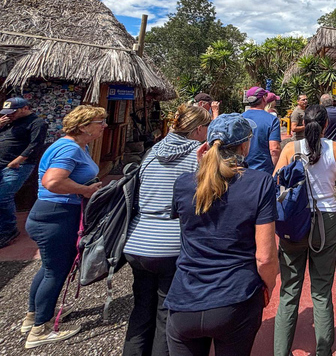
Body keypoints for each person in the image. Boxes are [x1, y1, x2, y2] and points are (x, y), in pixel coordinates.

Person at [165, 113, 278, 356]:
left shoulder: (183, 183)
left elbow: (189, 231)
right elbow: (265, 257)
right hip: (235, 298)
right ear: (245, 145)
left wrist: (201, 167)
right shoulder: (260, 183)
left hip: (185, 298)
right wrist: (268, 286)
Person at [122, 104, 211, 356]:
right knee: (166, 315)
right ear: (199, 129)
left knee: (141, 309)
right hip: (170, 244)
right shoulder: (198, 155)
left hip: (137, 241)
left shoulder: (153, 151)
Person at [272, 105, 336, 356]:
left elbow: (275, 185)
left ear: (304, 123)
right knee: (321, 290)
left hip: (294, 223)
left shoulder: (290, 149)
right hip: (325, 220)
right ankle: (323, 351)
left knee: (289, 291)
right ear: (326, 125)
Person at [23, 105, 107, 348]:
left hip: (53, 214)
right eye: (99, 122)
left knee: (49, 268)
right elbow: (52, 181)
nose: (104, 126)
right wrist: (85, 190)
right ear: (83, 126)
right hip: (56, 216)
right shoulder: (69, 148)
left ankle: (35, 316)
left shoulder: (78, 146)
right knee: (55, 271)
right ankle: (40, 329)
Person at [0, 97, 48, 249]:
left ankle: (9, 230)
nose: (10, 115)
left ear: (25, 108)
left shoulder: (37, 123)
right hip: (2, 163)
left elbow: (35, 144)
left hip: (17, 166)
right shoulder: (9, 123)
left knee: (3, 196)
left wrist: (18, 160)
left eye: (14, 112)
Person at [242, 86, 282, 174]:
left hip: (242, 170)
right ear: (264, 98)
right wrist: (274, 171)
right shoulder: (272, 120)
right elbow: (274, 149)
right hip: (263, 171)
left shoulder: (240, 118)